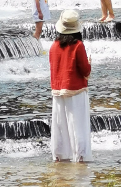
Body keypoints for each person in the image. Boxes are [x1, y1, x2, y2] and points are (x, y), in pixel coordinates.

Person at [49, 10, 92, 162]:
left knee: (60, 127)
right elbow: (85, 70)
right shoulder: (78, 45)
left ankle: (60, 157)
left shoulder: (54, 46)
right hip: (76, 91)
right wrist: (90, 64)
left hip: (58, 91)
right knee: (78, 126)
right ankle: (80, 158)